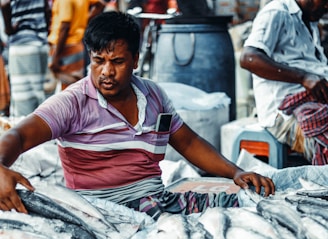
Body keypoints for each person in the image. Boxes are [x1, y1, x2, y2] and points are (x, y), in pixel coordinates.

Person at [0, 11, 274, 219]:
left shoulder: (154, 95)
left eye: (117, 62)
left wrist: (236, 172)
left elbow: (188, 143)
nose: (106, 71)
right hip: (99, 213)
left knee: (253, 206)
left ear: (135, 60)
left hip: (156, 200)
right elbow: (19, 136)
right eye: (98, 61)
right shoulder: (73, 101)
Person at [240, 0, 328, 165]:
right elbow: (248, 58)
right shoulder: (276, 12)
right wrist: (303, 78)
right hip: (284, 114)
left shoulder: (309, 21)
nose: (327, 6)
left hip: (314, 103)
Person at [0, 0, 51, 117]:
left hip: (23, 45)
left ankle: (27, 133)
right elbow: (46, 8)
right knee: (39, 95)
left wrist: (8, 29)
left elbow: (4, 3)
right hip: (41, 44)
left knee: (24, 101)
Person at [47, 0, 106, 90]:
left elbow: (65, 26)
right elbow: (100, 4)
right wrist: (85, 21)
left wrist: (56, 57)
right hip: (76, 44)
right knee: (74, 86)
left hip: (65, 47)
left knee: (69, 89)